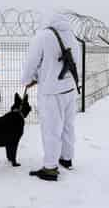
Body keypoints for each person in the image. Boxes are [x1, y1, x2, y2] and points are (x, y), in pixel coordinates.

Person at [21, 11, 80, 181]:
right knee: (68, 126)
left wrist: (28, 80)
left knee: (51, 130)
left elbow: (32, 62)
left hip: (51, 92)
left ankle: (50, 168)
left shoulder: (43, 36)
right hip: (69, 88)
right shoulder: (72, 37)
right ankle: (66, 159)